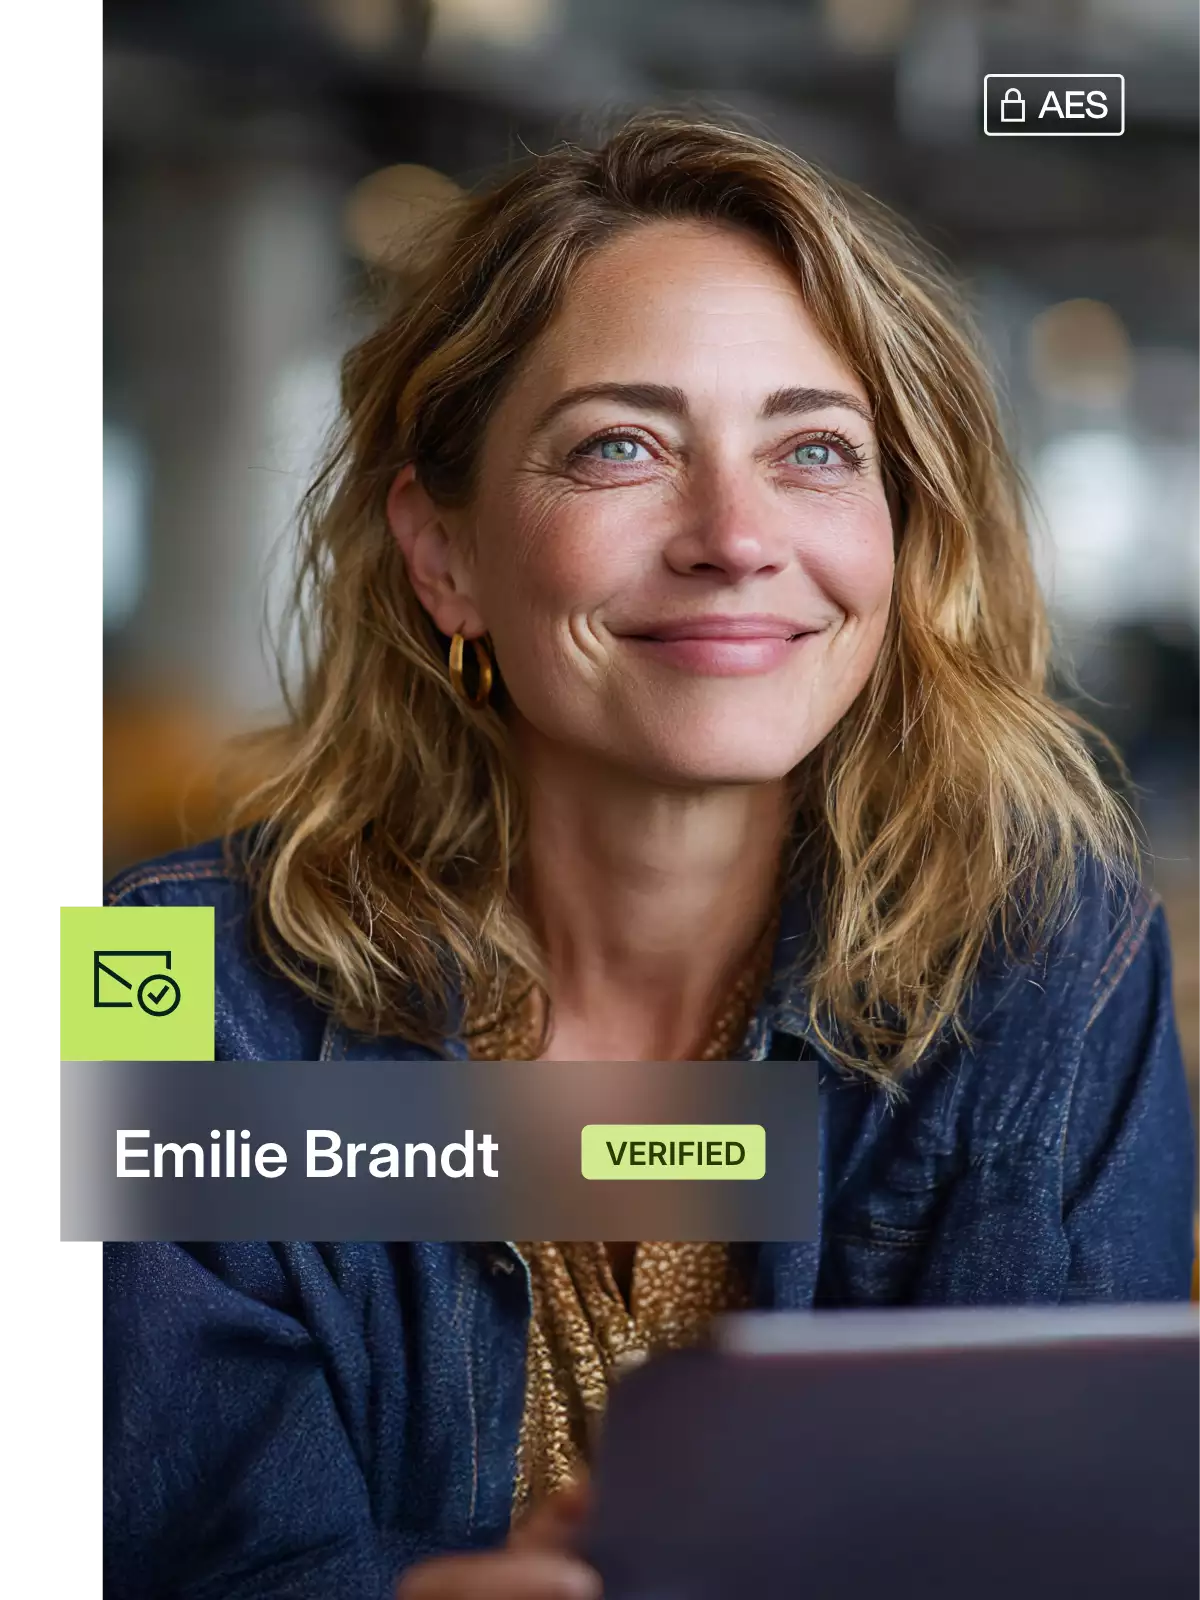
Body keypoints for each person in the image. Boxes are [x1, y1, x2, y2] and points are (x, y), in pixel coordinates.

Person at [101, 111, 1195, 1600]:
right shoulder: (143, 976)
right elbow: (168, 1552)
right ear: (444, 553)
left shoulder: (1058, 966)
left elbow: (1068, 1556)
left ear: (896, 536)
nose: (735, 537)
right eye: (621, 445)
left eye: (815, 450)